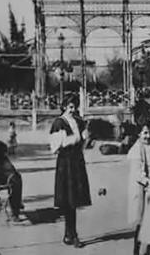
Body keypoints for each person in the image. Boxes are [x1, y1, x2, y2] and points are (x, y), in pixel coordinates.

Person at [49, 96, 91, 248]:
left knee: (75, 199)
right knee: (69, 199)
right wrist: (74, 138)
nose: (73, 110)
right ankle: (72, 235)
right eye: (70, 107)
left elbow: (84, 142)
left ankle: (70, 234)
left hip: (77, 162)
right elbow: (54, 147)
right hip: (65, 163)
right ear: (64, 106)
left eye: (75, 107)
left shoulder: (79, 121)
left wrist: (85, 138)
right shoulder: (59, 123)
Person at [127, 124, 150, 255]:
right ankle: (137, 251)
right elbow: (138, 173)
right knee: (142, 223)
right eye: (144, 133)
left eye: (149, 133)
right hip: (142, 189)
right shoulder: (136, 149)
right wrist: (149, 183)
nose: (148, 136)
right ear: (138, 134)